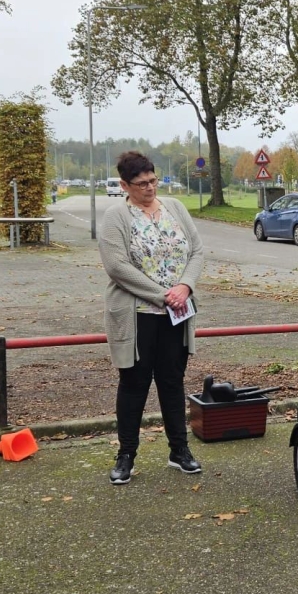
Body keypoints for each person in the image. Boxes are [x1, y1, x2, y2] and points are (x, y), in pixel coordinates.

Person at [99, 151, 204, 485]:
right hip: (139, 315)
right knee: (134, 384)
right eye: (141, 184)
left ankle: (179, 450)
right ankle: (126, 455)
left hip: (176, 314)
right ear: (125, 185)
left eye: (153, 180)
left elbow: (197, 251)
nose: (149, 188)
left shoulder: (175, 207)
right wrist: (163, 295)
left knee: (172, 381)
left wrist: (185, 286)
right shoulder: (116, 216)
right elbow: (117, 266)